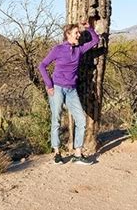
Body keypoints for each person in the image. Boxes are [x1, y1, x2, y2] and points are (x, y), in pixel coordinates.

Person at [38, 20, 99, 165]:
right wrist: (49, 85)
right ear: (68, 34)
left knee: (81, 120)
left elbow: (95, 40)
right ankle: (57, 153)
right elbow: (42, 65)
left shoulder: (79, 50)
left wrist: (89, 28)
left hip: (72, 90)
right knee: (56, 120)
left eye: (79, 33)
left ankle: (77, 154)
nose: (79, 35)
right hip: (57, 88)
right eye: (76, 33)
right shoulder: (58, 49)